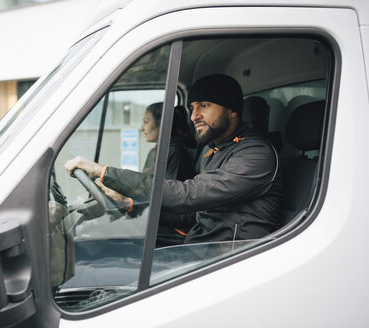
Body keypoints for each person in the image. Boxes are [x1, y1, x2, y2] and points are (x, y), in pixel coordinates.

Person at [65, 74, 283, 244]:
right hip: (202, 244)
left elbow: (186, 196)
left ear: (232, 110)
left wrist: (102, 171)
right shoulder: (217, 149)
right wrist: (130, 204)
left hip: (234, 258)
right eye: (192, 108)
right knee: (104, 243)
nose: (194, 116)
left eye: (204, 106)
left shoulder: (256, 155)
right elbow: (194, 215)